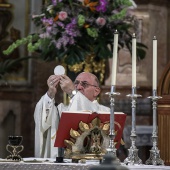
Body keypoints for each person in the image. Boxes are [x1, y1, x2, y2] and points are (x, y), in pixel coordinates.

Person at [34, 72, 110, 158]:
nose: (78, 87)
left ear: (96, 91)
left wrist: (72, 91)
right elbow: (42, 118)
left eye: (84, 84)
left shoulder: (105, 111)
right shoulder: (62, 110)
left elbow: (89, 110)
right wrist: (50, 93)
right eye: (76, 83)